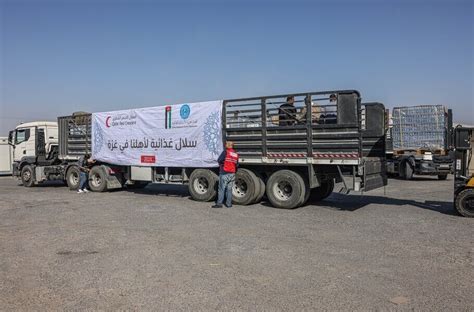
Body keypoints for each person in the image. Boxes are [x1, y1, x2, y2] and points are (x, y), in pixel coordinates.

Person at [212, 141, 239, 208]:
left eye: (226, 144)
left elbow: (219, 160)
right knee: (229, 189)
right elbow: (237, 164)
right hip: (232, 173)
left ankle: (219, 204)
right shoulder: (235, 154)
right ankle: (229, 204)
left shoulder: (225, 152)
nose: (225, 145)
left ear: (229, 145)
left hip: (224, 172)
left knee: (221, 188)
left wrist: (223, 164)